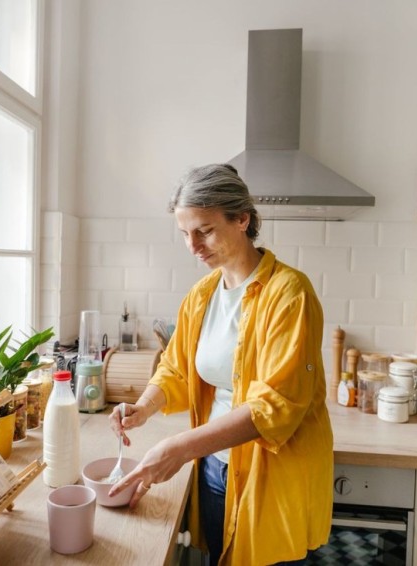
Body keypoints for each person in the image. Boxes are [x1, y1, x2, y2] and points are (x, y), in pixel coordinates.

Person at [108, 163, 333, 566]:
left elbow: (274, 407)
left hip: (271, 477)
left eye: (205, 230)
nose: (193, 246)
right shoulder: (203, 294)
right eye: (184, 234)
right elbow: (176, 368)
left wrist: (178, 448)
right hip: (215, 468)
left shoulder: (289, 293)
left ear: (242, 219)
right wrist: (143, 407)